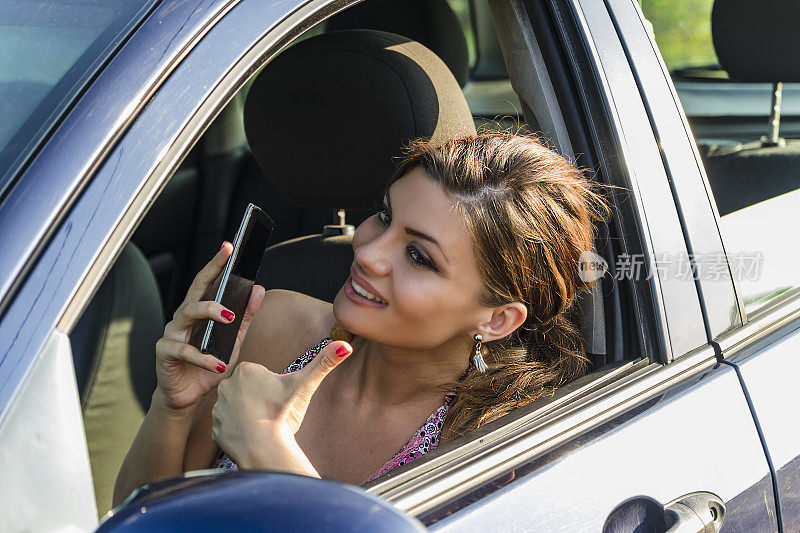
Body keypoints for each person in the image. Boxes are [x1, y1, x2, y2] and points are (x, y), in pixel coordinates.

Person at [113, 132, 610, 506]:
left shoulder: (499, 443)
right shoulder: (276, 328)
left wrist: (268, 452)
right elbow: (138, 515)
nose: (369, 250)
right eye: (384, 215)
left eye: (419, 256)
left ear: (497, 319)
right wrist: (173, 406)